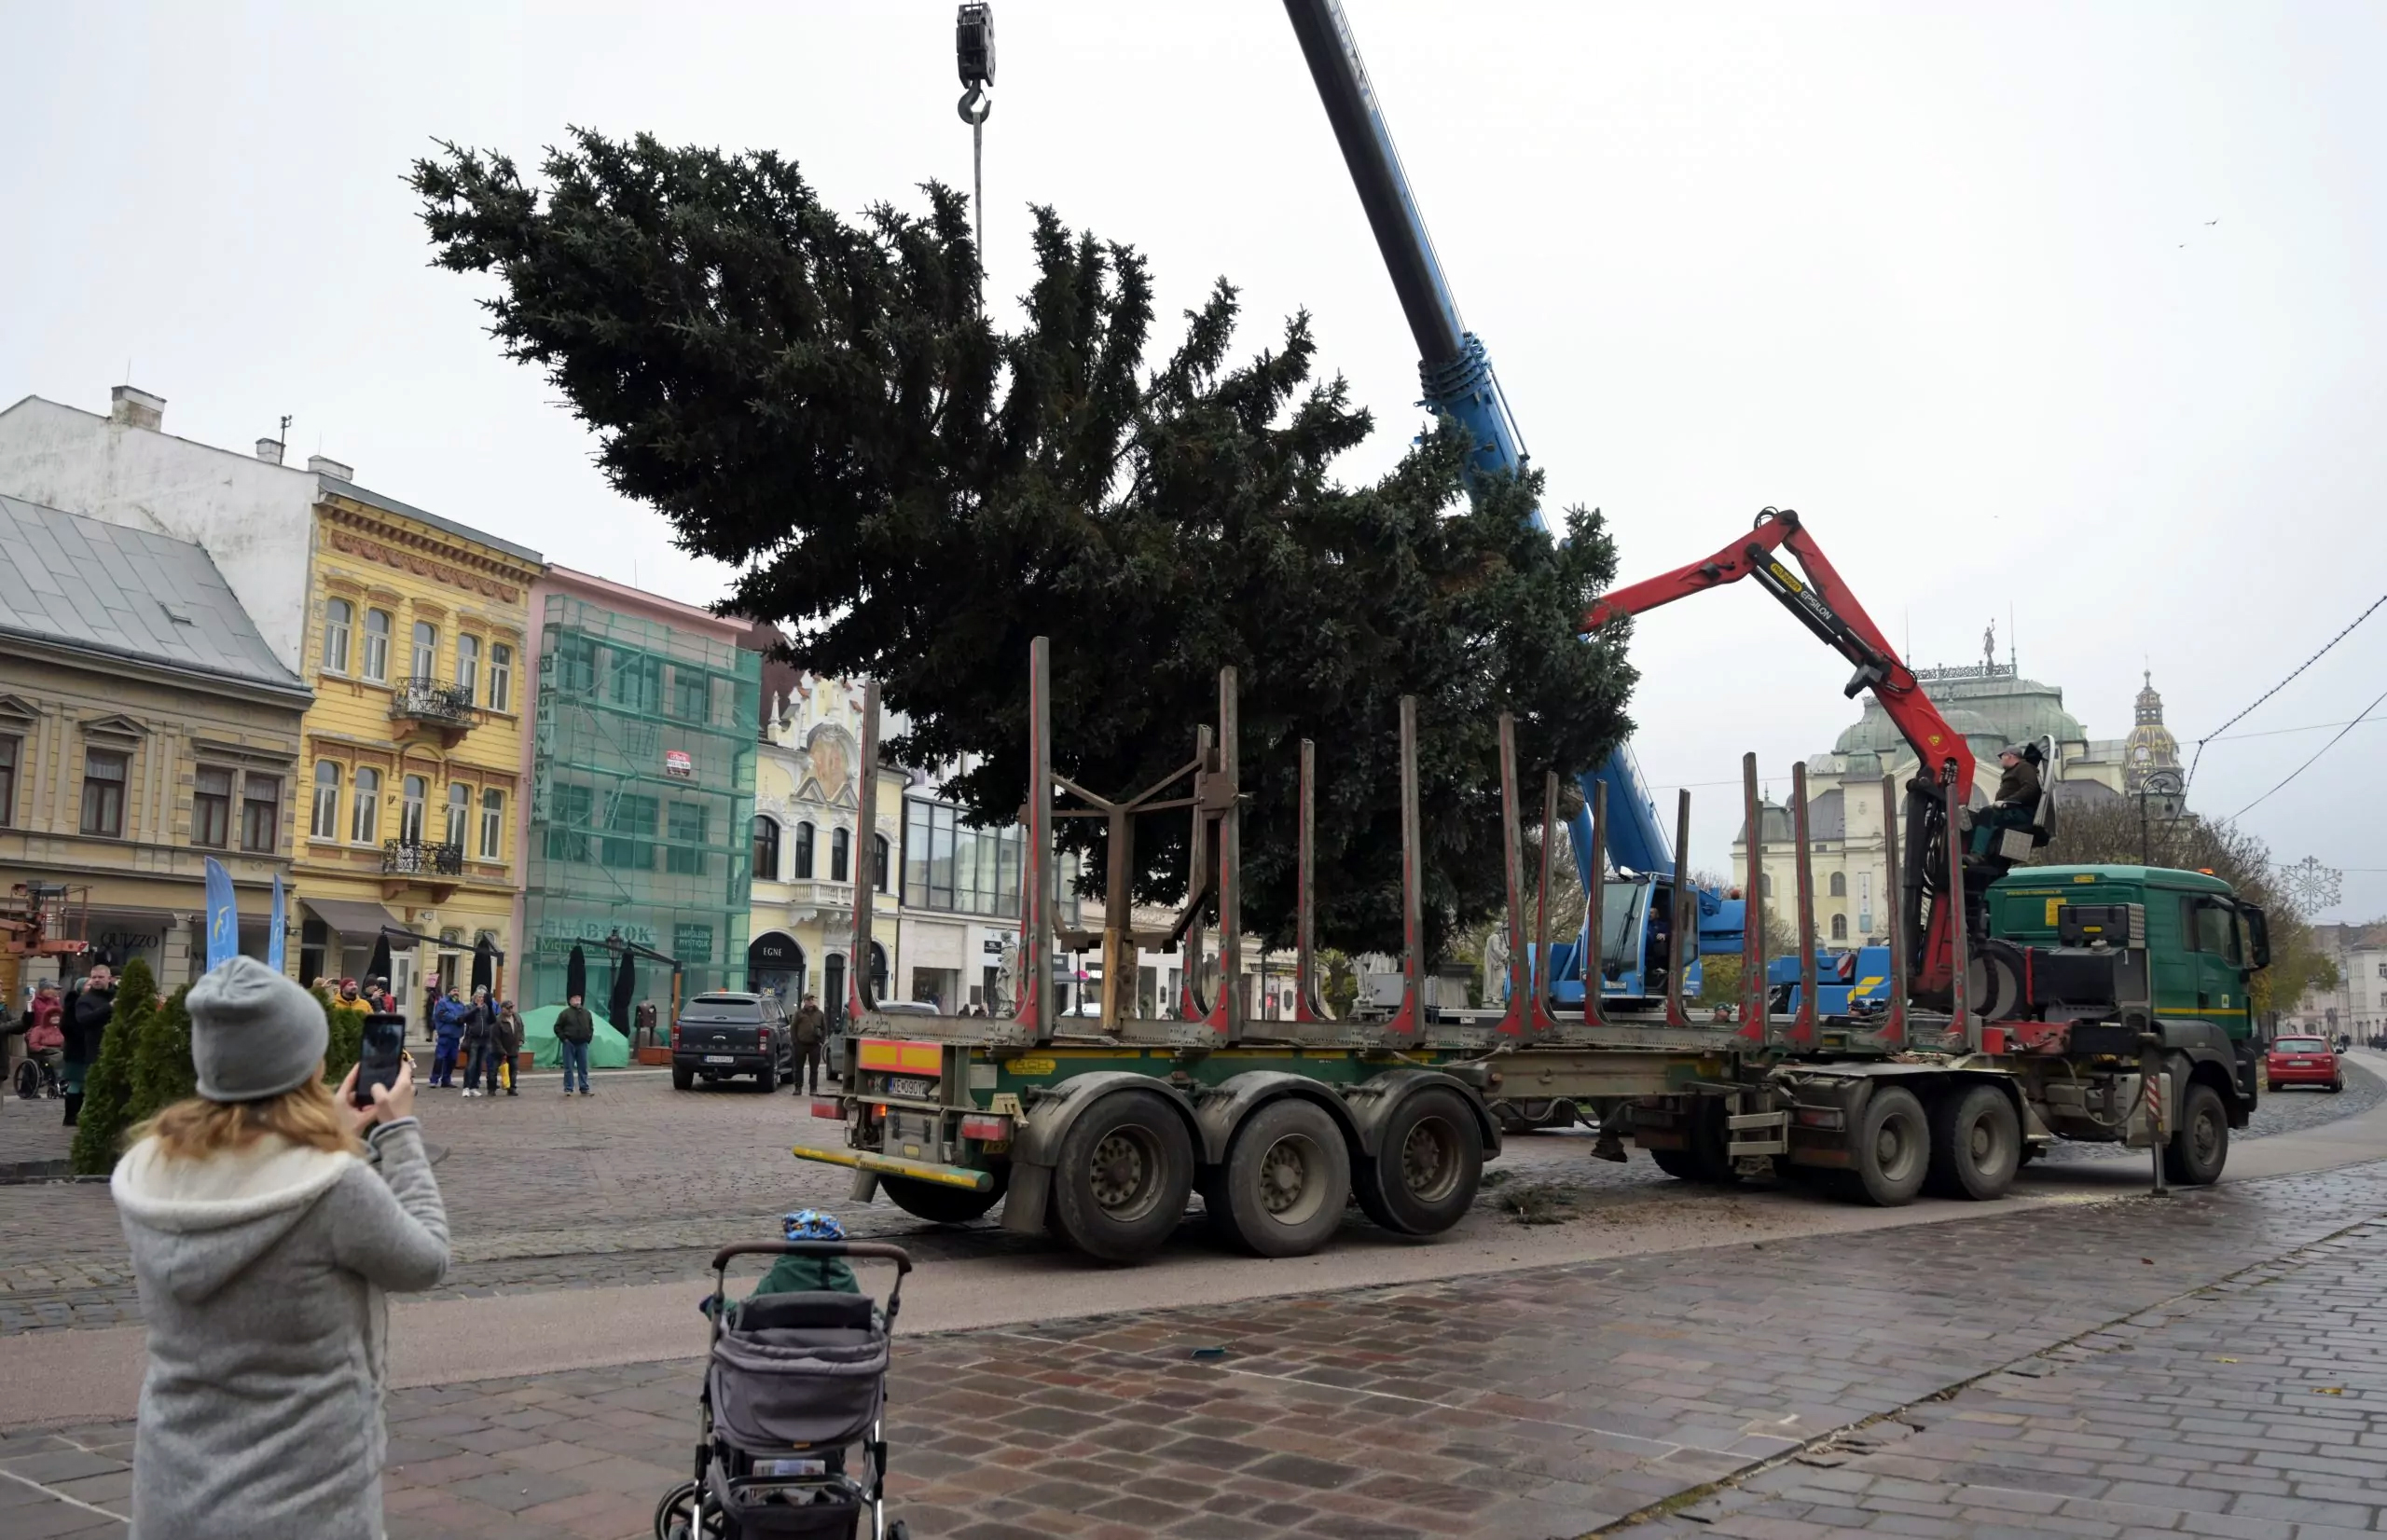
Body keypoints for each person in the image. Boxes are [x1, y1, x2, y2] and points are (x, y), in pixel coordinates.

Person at [111, 955, 447, 1540]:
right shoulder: (334, 1186)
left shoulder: (149, 1168)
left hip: (174, 1487)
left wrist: (335, 1133)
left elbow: (254, 1180)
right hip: (304, 1495)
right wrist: (397, 1132)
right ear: (305, 1062)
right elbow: (424, 1260)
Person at [61, 963, 117, 1126]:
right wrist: (109, 1008)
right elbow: (83, 1020)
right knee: (79, 1084)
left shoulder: (117, 995)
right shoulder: (84, 1001)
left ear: (109, 978)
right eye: (94, 977)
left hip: (114, 1049)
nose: (96, 980)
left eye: (100, 977)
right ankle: (73, 1117)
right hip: (87, 1050)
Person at [1968, 745, 2043, 858]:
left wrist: (2007, 802)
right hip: (2011, 810)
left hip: (2020, 812)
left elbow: (2030, 788)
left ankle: (1977, 854)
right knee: (1974, 818)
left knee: (1987, 813)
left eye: (2002, 756)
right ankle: (1976, 852)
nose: (2001, 760)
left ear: (2009, 756)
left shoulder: (2024, 767)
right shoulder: (2014, 770)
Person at [21, 982, 64, 1099]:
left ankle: (59, 1083)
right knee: (33, 1061)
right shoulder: (35, 1001)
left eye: (53, 989)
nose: (52, 991)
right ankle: (28, 1089)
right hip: (37, 1032)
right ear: (42, 990)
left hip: (52, 1033)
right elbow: (29, 1017)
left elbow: (59, 1014)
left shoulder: (55, 1001)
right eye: (49, 988)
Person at [462, 987, 501, 1098]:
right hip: (473, 1039)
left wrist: (490, 1007)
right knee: (471, 1064)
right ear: (474, 997)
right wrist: (476, 1009)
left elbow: (493, 1020)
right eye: (479, 997)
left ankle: (474, 1087)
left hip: (485, 1039)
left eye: (483, 998)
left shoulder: (487, 1008)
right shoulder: (469, 1007)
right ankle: (466, 1087)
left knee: (479, 1065)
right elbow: (465, 1018)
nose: (481, 999)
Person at [555, 991, 594, 1096]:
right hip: (569, 1043)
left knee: (583, 1067)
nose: (577, 1000)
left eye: (579, 998)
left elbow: (591, 1027)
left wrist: (588, 1038)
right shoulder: (565, 1013)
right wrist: (565, 1039)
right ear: (570, 1000)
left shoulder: (586, 1013)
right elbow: (557, 1027)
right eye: (575, 998)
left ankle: (584, 1087)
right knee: (569, 1067)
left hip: (582, 1044)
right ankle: (568, 1088)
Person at [430, 986, 467, 1089]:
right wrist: (455, 1019)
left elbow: (464, 1016)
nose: (456, 992)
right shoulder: (443, 1002)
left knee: (452, 1059)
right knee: (440, 1058)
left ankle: (446, 1080)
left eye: (458, 991)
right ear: (449, 992)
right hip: (444, 1035)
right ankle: (434, 1079)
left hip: (455, 1036)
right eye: (454, 990)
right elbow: (441, 1014)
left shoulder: (461, 1005)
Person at [792, 992, 827, 1096]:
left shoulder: (820, 1014)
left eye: (812, 1000)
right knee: (798, 1068)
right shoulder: (799, 1014)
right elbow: (793, 1028)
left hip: (814, 1045)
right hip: (800, 1044)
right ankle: (798, 1088)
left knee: (814, 1069)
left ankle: (813, 1089)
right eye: (808, 1000)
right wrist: (795, 1041)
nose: (810, 1001)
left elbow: (825, 1028)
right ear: (804, 1001)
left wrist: (822, 1041)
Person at [493, 1000, 522, 1096]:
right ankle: (492, 1088)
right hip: (500, 1050)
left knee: (513, 1070)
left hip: (514, 1049)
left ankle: (512, 1088)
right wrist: (501, 1050)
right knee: (494, 1070)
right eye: (508, 1008)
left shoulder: (516, 1017)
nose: (510, 1010)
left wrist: (521, 1039)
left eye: (511, 1008)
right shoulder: (498, 1020)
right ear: (503, 1009)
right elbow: (495, 1038)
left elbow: (521, 1029)